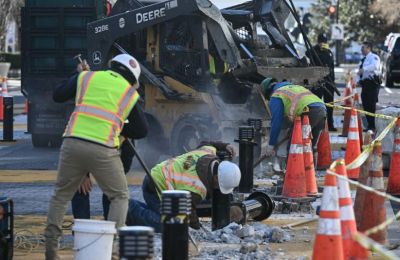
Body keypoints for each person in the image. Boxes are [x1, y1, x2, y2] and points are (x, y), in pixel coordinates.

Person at [44, 53, 148, 260]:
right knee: (119, 196)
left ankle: (51, 251)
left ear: (112, 65)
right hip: (103, 148)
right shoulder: (128, 93)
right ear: (133, 79)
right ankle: (112, 250)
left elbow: (58, 95)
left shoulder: (87, 77)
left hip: (72, 142)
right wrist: (120, 128)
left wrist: (78, 77)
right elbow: (142, 130)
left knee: (60, 196)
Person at [126, 141, 240, 232]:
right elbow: (188, 211)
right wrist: (196, 227)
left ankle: (129, 206)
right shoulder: (198, 188)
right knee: (170, 224)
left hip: (156, 174)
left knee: (159, 213)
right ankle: (128, 210)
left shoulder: (208, 153)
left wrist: (224, 146)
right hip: (156, 187)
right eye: (219, 185)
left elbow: (207, 143)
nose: (218, 189)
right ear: (216, 178)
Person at [261, 78, 327, 157]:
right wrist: (292, 127)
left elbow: (276, 123)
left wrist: (271, 144)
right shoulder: (296, 88)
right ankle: (310, 169)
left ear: (268, 92)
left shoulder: (276, 95)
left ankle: (291, 169)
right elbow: (298, 107)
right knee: (311, 147)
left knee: (294, 147)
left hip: (309, 113)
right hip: (322, 110)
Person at [306, 32, 336, 131]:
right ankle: (316, 125)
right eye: (321, 42)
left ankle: (330, 125)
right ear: (318, 42)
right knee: (316, 105)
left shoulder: (328, 52)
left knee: (330, 105)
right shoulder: (312, 51)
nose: (322, 44)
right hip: (317, 82)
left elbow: (331, 67)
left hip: (329, 82)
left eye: (324, 42)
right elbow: (307, 55)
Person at [357, 41, 381, 131]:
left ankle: (373, 126)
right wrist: (358, 80)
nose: (361, 50)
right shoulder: (363, 59)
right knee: (365, 104)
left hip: (372, 84)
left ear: (368, 48)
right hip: (365, 84)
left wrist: (364, 69)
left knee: (371, 105)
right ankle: (370, 125)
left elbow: (375, 66)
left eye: (363, 48)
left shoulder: (374, 57)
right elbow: (359, 71)